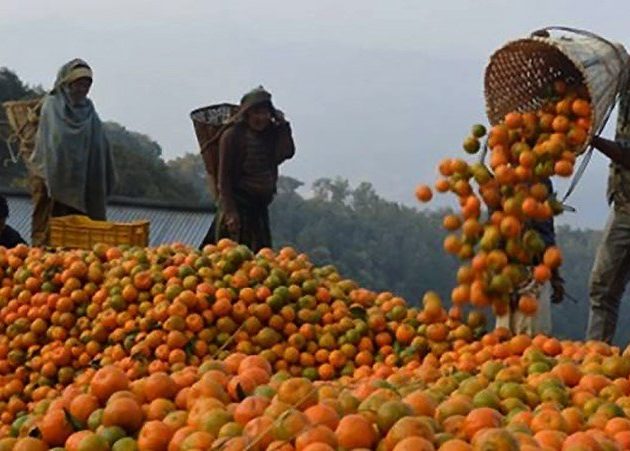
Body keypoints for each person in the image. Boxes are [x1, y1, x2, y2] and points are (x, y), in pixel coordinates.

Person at [28, 58, 116, 246]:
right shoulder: (53, 104)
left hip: (80, 177)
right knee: (48, 226)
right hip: (50, 175)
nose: (83, 88)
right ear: (67, 83)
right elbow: (56, 142)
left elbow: (98, 141)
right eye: (79, 83)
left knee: (75, 230)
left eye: (87, 84)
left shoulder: (88, 108)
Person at [201, 86, 295, 252]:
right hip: (237, 206)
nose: (262, 118)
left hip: (258, 207)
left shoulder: (270, 134)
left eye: (265, 113)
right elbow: (224, 179)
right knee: (231, 258)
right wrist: (230, 213)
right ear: (247, 114)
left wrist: (283, 126)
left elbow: (287, 152)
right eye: (257, 113)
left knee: (260, 258)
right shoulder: (232, 136)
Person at [586, 77, 630, 343]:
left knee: (603, 291)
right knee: (603, 289)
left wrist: (592, 140)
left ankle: (596, 360)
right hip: (624, 201)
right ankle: (596, 359)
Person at [495, 179, 565, 335]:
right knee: (520, 343)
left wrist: (554, 274)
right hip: (521, 277)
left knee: (516, 345)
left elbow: (544, 235)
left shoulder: (510, 181)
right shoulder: (507, 183)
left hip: (528, 277)